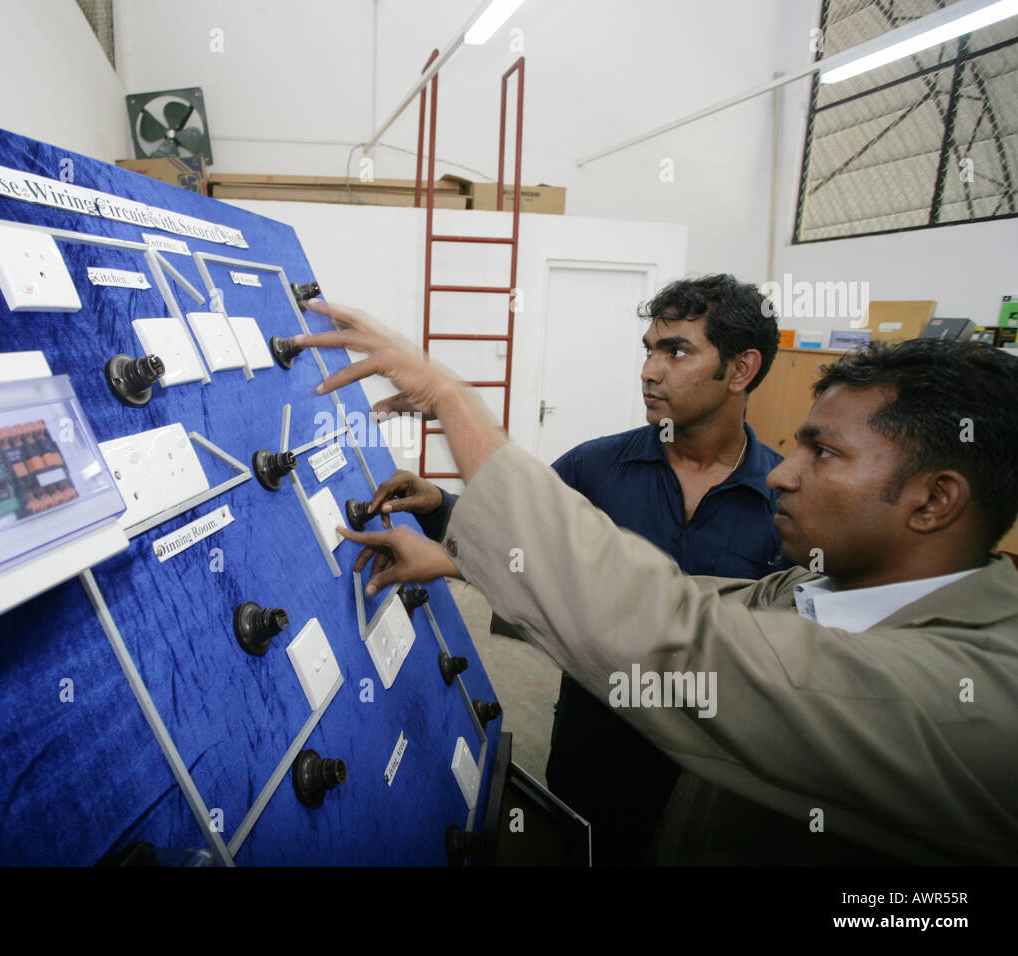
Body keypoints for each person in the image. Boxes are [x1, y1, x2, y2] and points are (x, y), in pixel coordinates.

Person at [296, 299, 1018, 864]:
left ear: (934, 500)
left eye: (823, 452)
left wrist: (452, 397)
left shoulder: (975, 697)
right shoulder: (819, 589)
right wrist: (459, 554)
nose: (787, 473)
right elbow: (686, 597)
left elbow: (681, 638)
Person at [360, 275, 791, 865]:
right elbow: (526, 542)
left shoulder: (786, 499)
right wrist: (441, 508)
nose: (650, 370)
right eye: (649, 349)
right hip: (594, 754)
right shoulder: (596, 467)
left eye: (678, 351)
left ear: (741, 370)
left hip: (712, 782)